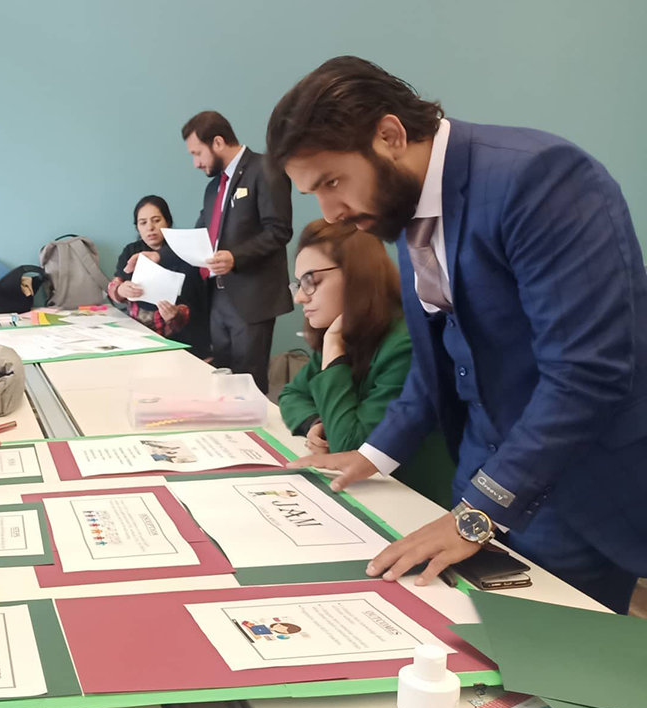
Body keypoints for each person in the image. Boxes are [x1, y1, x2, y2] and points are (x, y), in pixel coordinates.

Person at [267, 56, 647, 612]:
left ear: (390, 135)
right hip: (480, 481)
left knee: (550, 671)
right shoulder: (400, 204)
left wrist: (480, 510)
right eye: (313, 195)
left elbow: (586, 374)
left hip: (570, 487)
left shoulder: (541, 179)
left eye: (333, 181)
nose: (334, 211)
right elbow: (440, 357)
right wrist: (372, 454)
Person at [278, 219, 455, 508]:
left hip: (414, 502)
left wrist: (333, 346)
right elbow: (292, 394)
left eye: (310, 281)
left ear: (357, 274)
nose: (299, 297)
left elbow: (351, 447)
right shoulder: (348, 332)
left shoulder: (404, 344)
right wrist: (315, 422)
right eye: (299, 284)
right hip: (372, 494)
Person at [182, 111, 294, 393]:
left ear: (218, 142)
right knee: (223, 379)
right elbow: (201, 234)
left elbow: (279, 230)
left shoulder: (265, 169)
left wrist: (235, 257)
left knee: (248, 384)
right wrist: (160, 255)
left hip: (251, 298)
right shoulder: (212, 189)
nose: (195, 163)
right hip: (217, 298)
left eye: (198, 153)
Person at [107, 195, 210, 357]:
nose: (150, 227)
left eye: (156, 220)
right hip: (136, 335)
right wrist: (120, 290)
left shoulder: (183, 252)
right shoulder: (131, 251)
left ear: (167, 222)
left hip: (178, 339)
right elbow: (113, 288)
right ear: (138, 228)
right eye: (143, 223)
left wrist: (176, 314)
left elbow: (195, 305)